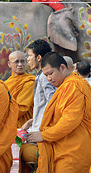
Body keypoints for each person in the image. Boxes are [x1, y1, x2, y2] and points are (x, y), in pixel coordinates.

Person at [27, 52, 91, 172]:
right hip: (64, 147)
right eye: (46, 75)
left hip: (73, 150)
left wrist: (43, 135)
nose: (49, 79)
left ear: (62, 67)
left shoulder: (73, 85)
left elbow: (69, 121)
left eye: (51, 73)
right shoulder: (65, 86)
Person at [19, 39, 56, 172]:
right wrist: (31, 121)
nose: (28, 59)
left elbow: (52, 103)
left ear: (38, 57)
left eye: (29, 56)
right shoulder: (41, 76)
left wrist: (42, 130)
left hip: (42, 133)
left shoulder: (44, 77)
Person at [5, 51, 35, 128]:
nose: (20, 65)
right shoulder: (6, 83)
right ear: (9, 64)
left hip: (23, 126)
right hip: (7, 124)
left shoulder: (29, 82)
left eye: (22, 61)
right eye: (16, 62)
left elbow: (21, 109)